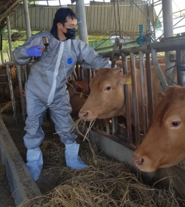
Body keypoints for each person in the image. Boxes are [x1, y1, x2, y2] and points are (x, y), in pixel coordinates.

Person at [13, 8, 113, 181]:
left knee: (66, 124)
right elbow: (17, 55)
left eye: (75, 25)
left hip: (59, 93)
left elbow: (95, 59)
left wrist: (112, 69)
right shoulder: (42, 39)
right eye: (71, 26)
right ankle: (34, 163)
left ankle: (73, 159)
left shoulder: (76, 46)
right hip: (36, 91)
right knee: (32, 124)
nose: (74, 28)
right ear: (59, 25)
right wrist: (27, 53)